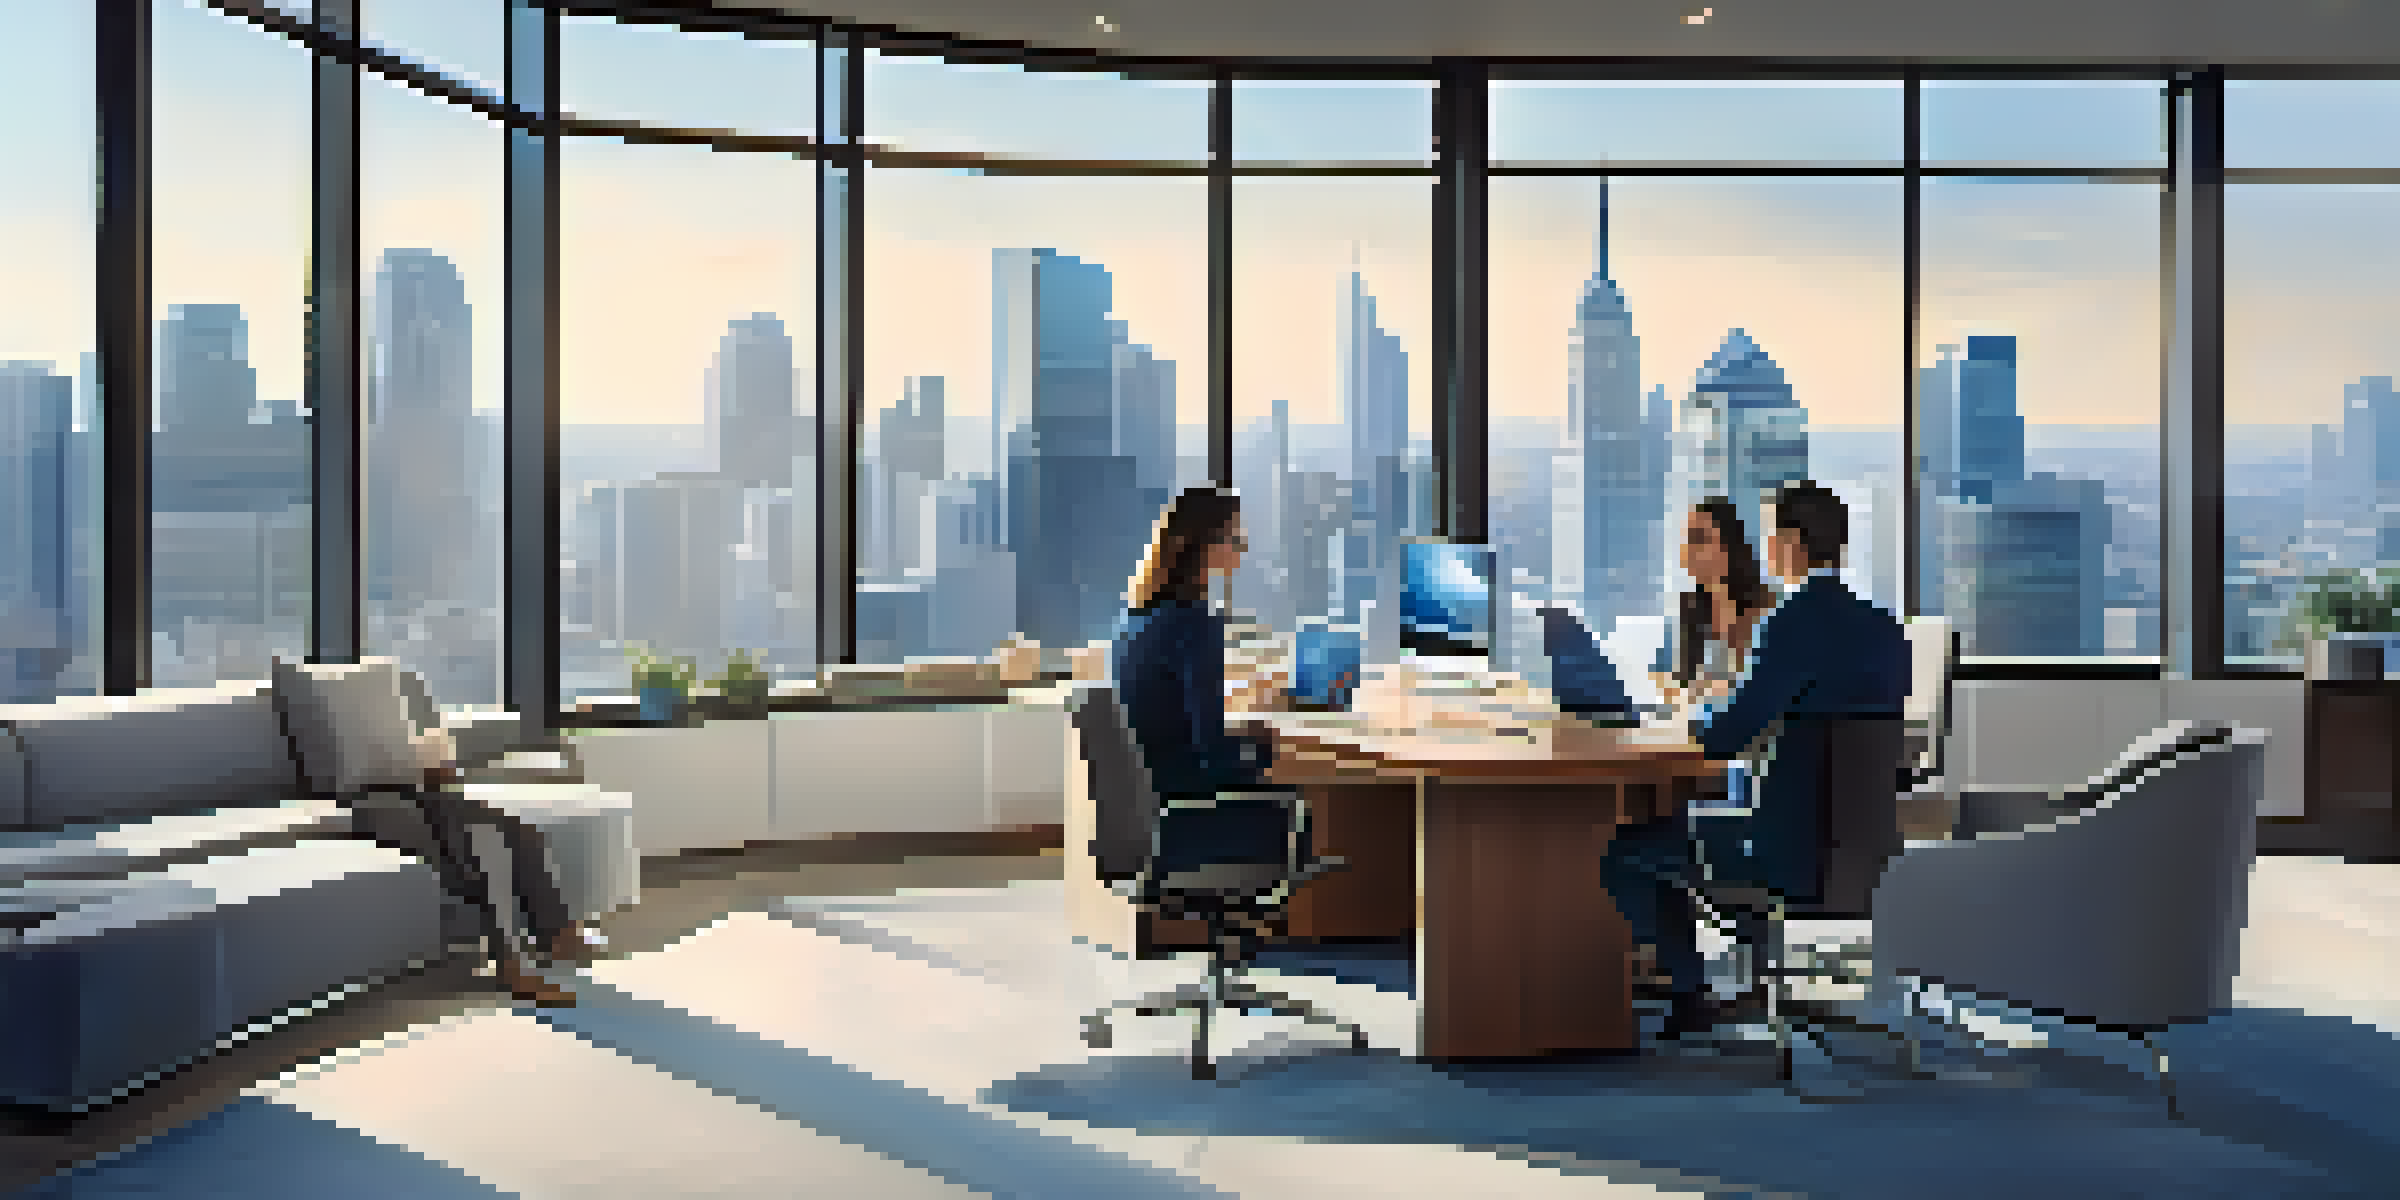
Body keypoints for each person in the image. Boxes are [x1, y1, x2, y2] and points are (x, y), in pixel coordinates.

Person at [1604, 481, 1910, 1040]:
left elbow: (1729, 736)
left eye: (1771, 535)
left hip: (1783, 850)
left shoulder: (1788, 622)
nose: (1766, 547)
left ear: (1791, 543)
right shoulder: (1885, 629)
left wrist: (1693, 718)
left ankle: (1690, 992)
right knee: (1688, 832)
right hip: (1858, 855)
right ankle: (1761, 980)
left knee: (1626, 851)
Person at [1110, 485, 1302, 881]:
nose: (1242, 549)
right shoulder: (1196, 625)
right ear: (1205, 546)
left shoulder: (1135, 622)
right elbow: (1213, 755)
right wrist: (1267, 750)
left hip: (1153, 810)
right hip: (1193, 813)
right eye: (1235, 538)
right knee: (1302, 796)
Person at [404, 725, 599, 1007]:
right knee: (483, 841)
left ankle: (557, 931)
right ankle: (512, 965)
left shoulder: (391, 696)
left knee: (519, 830)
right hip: (380, 797)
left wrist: (434, 758)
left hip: (425, 787)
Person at [1649, 497, 1778, 711]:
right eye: (1687, 541)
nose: (1688, 552)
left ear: (1728, 546)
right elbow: (1674, 683)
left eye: (1699, 540)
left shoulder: (1767, 608)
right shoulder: (1690, 608)